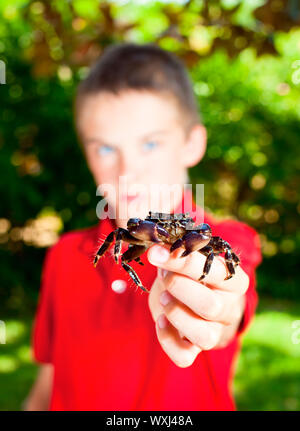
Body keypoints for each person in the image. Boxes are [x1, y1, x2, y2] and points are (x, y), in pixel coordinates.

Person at [24, 42, 262, 411]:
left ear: (192, 143)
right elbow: (51, 377)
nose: (126, 171)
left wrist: (217, 305)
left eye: (150, 143)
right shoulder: (65, 257)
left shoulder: (229, 237)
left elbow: (229, 296)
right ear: (86, 152)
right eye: (105, 148)